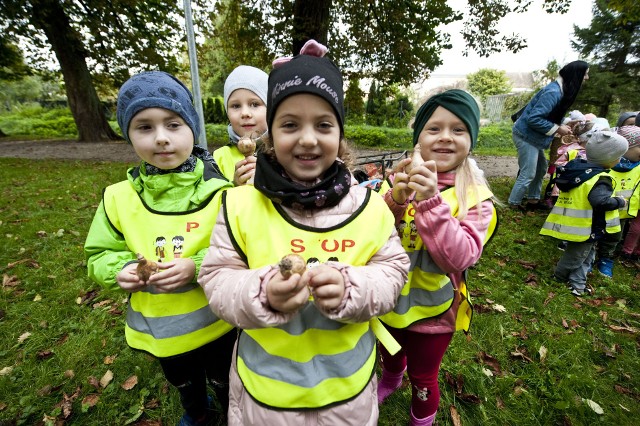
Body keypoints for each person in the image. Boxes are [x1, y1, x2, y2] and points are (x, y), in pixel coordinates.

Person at [198, 42, 410, 425]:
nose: (308, 139)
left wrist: (354, 286)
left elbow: (393, 270)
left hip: (346, 391)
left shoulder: (370, 207)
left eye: (323, 124)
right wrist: (263, 293)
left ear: (341, 134)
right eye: (290, 124)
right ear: (270, 134)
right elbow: (216, 278)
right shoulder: (241, 205)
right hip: (266, 394)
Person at [84, 71, 236, 426]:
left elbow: (238, 248)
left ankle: (232, 411)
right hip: (161, 328)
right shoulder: (118, 198)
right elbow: (100, 253)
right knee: (182, 378)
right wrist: (119, 269)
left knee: (224, 377)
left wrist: (197, 266)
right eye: (144, 127)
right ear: (128, 134)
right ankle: (197, 412)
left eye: (173, 124)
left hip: (218, 323)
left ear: (192, 129)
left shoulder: (222, 192)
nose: (162, 139)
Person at [377, 89, 498, 426]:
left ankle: (422, 418)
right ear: (418, 139)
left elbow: (457, 259)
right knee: (391, 350)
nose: (445, 137)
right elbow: (371, 236)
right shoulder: (398, 180)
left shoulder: (476, 198)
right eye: (434, 128)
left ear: (470, 141)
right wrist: (395, 202)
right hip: (391, 298)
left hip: (436, 310)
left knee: (424, 377)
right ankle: (390, 378)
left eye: (458, 130)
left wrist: (431, 201)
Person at [540, 130, 628, 296]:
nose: (619, 160)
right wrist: (620, 202)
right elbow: (600, 201)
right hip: (586, 225)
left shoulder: (579, 169)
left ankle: (577, 284)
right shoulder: (600, 179)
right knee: (576, 256)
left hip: (577, 224)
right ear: (608, 158)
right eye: (618, 157)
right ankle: (558, 276)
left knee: (586, 255)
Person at [508, 60, 589, 211]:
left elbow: (549, 115)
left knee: (540, 169)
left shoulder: (560, 90)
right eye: (585, 74)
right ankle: (514, 203)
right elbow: (534, 119)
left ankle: (533, 201)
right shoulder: (553, 92)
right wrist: (558, 129)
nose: (587, 78)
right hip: (525, 135)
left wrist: (567, 122)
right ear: (576, 75)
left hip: (534, 137)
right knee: (529, 172)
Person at [213, 65, 268, 185]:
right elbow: (212, 200)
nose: (245, 113)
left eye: (254, 104)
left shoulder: (282, 154)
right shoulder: (218, 158)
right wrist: (234, 185)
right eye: (236, 106)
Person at [608, 125, 640, 270]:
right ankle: (591, 255)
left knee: (615, 236)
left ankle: (606, 257)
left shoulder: (638, 166)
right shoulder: (607, 162)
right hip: (603, 206)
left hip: (623, 212)